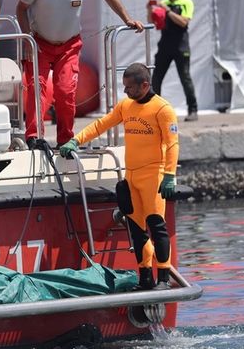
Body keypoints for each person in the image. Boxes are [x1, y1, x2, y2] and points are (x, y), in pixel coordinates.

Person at [60, 63, 178, 290]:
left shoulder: (163, 110)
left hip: (153, 176)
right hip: (131, 175)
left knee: (156, 225)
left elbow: (172, 144)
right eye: (124, 87)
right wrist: (76, 140)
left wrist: (169, 175)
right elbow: (101, 124)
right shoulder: (126, 106)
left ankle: (163, 278)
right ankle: (145, 278)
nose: (125, 92)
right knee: (136, 229)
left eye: (130, 88)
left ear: (145, 85)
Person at [16, 0, 144, 149]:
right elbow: (21, 8)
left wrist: (127, 19)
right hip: (40, 43)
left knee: (66, 91)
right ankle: (34, 138)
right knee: (35, 89)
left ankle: (65, 141)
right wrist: (27, 37)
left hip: (69, 45)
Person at [147, 0, 198, 122]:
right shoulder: (164, 4)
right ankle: (154, 111)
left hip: (181, 47)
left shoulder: (186, 2)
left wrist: (168, 11)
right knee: (156, 78)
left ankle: (193, 109)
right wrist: (149, 10)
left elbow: (183, 22)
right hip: (164, 46)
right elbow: (152, 23)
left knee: (185, 78)